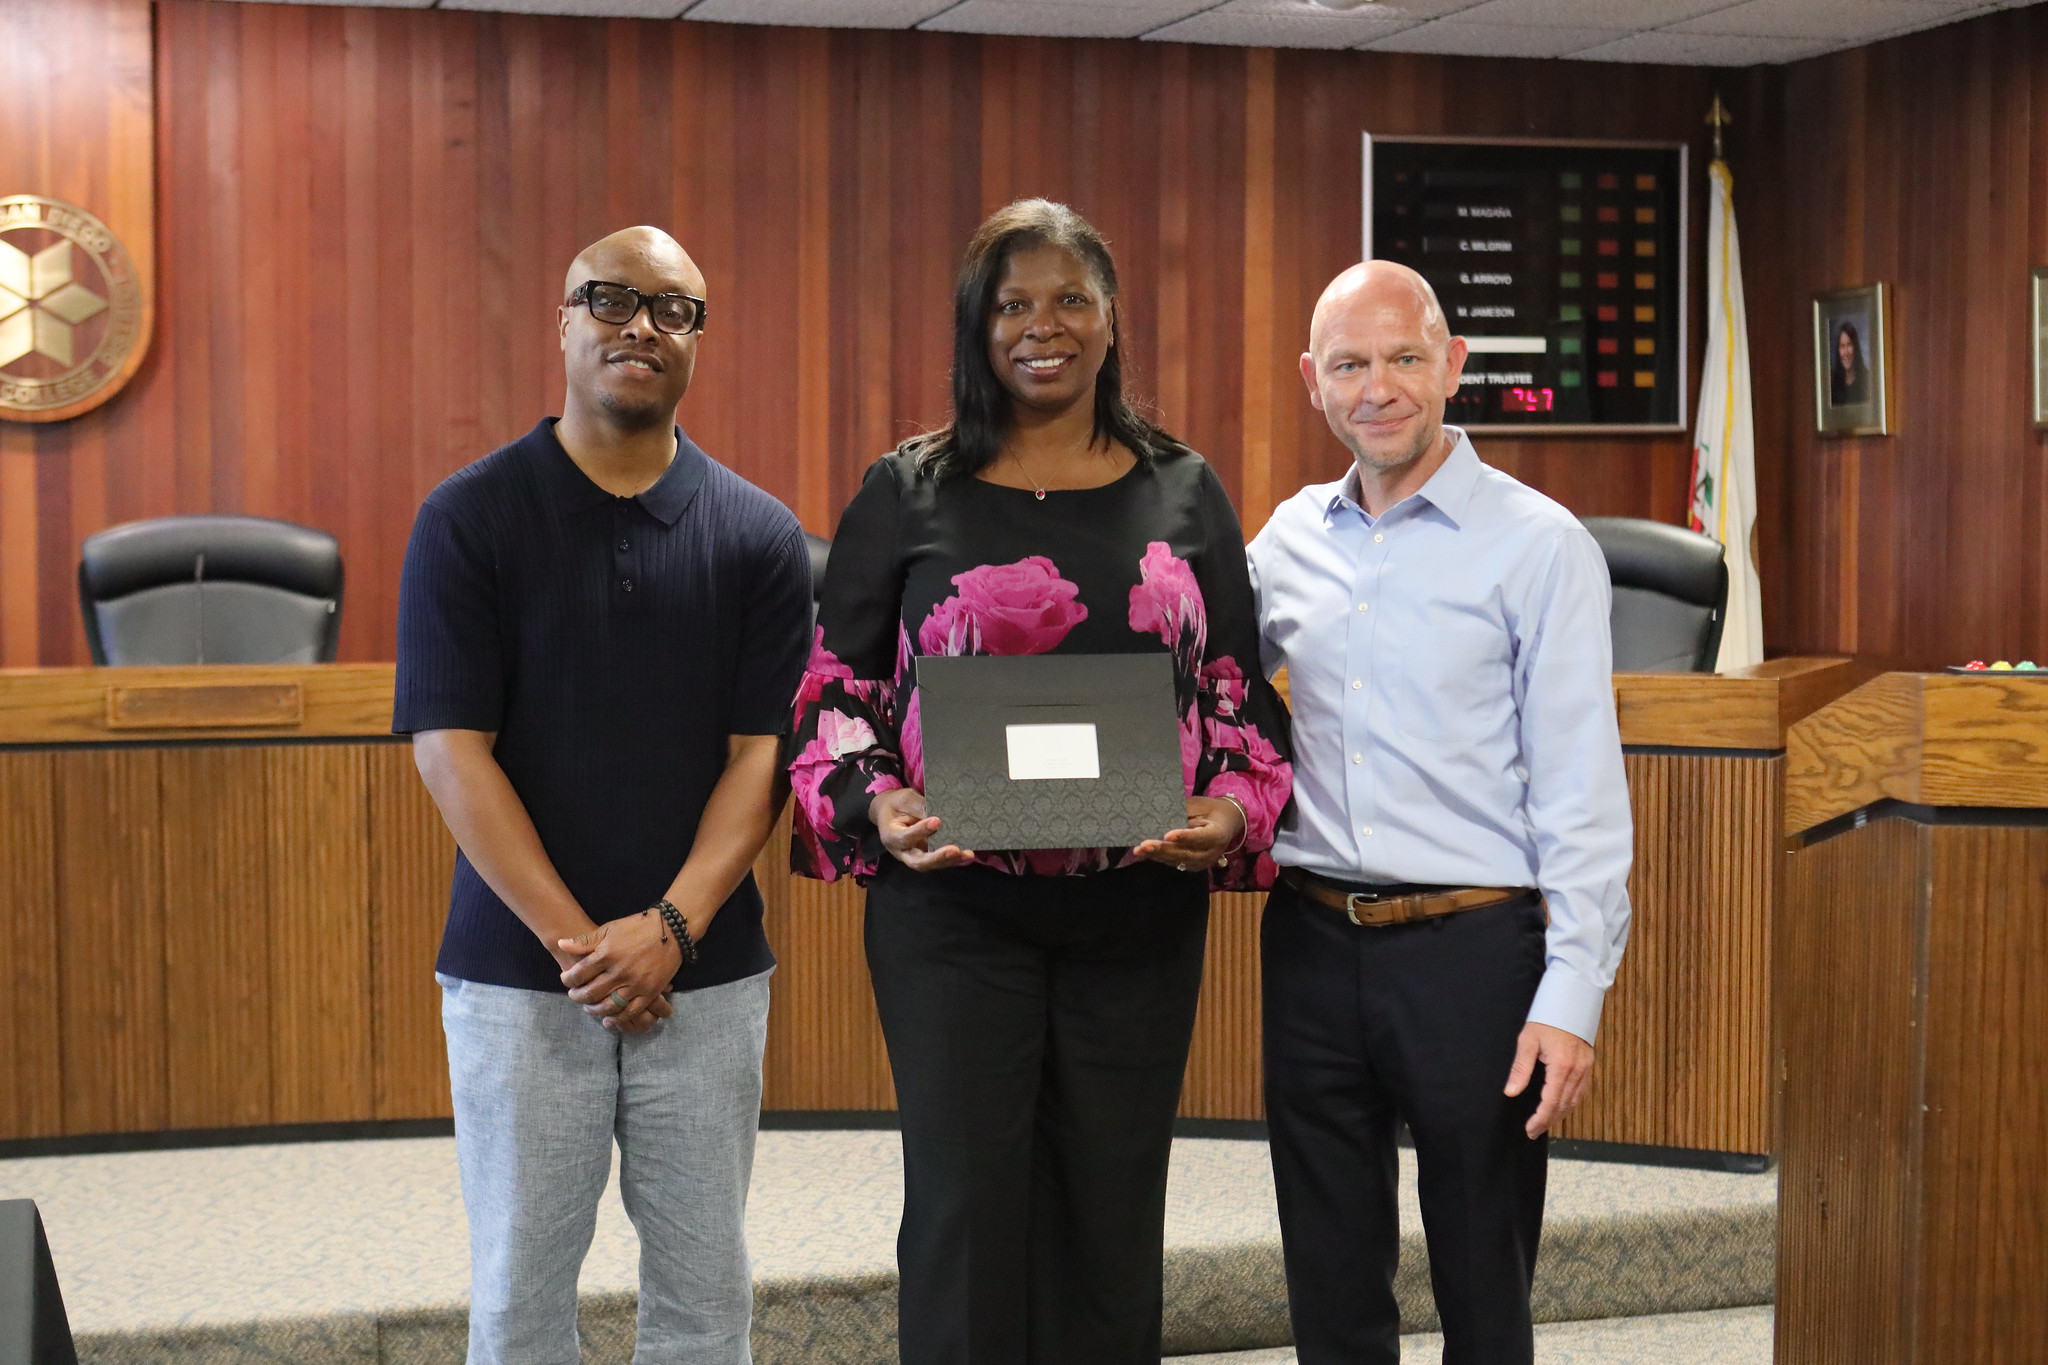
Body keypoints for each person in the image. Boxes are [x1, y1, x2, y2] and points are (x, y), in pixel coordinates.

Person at [787, 198, 1291, 1365]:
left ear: (1110, 321)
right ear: (976, 325)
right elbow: (830, 697)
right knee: (965, 1216)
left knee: (1110, 1215)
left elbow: (1233, 700)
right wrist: (878, 807)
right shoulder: (906, 489)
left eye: (1070, 298)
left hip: (1134, 917)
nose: (1042, 327)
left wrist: (1226, 809)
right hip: (954, 920)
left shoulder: (1184, 489)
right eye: (1013, 303)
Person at [395, 226, 813, 1364]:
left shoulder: (761, 536)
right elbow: (450, 751)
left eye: (672, 309)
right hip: (521, 979)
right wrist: (590, 948)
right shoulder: (468, 518)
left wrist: (669, 931)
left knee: (703, 1299)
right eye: (611, 300)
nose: (641, 325)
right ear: (564, 321)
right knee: (521, 1298)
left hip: (706, 980)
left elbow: (758, 758)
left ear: (695, 339)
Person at [1246, 260, 1632, 1365]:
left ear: (1451, 366)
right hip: (1313, 940)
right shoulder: (1286, 541)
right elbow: (1198, 685)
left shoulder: (1539, 545)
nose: (1379, 388)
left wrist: (1572, 997)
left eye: (1404, 359)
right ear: (1312, 381)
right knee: (1327, 1274)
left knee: (1480, 1273)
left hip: (1475, 951)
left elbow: (1580, 790)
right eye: (1352, 365)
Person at [1829, 319, 1868, 406]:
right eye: (1842, 346)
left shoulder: (1867, 380)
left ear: (1855, 347)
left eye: (1849, 345)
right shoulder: (1832, 384)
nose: (1845, 352)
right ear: (1838, 350)